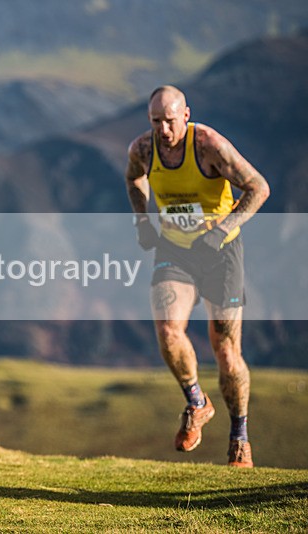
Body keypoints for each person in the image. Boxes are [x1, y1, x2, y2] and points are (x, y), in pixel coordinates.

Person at [125, 85, 270, 468]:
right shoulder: (143, 149)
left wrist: (221, 230)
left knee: (226, 352)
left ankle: (239, 438)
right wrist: (143, 222)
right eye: (156, 121)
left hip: (221, 253)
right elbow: (134, 178)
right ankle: (197, 403)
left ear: (186, 115)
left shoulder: (208, 145)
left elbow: (258, 188)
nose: (163, 129)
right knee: (168, 330)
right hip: (175, 250)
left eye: (170, 120)